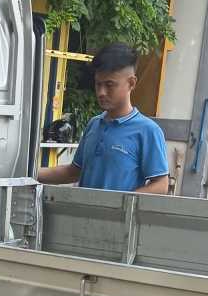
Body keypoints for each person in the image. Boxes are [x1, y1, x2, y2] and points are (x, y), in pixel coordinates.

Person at [38, 43, 169, 195]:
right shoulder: (94, 124)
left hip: (118, 211)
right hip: (81, 210)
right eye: (98, 84)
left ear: (131, 83)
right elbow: (73, 172)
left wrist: (121, 204)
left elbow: (161, 185)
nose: (101, 92)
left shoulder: (147, 131)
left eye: (109, 85)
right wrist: (29, 172)